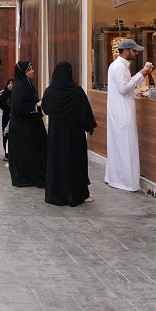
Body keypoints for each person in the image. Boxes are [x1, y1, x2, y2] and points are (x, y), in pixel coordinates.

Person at [41, 62, 97, 207]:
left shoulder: (50, 91)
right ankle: (76, 193)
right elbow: (86, 116)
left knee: (57, 161)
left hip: (56, 135)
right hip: (74, 136)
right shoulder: (77, 92)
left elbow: (46, 109)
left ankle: (56, 193)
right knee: (74, 162)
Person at [105, 39, 153, 192]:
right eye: (134, 51)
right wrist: (142, 73)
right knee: (127, 147)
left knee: (119, 147)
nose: (136, 53)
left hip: (119, 111)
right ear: (126, 51)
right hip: (122, 113)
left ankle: (116, 178)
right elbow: (123, 88)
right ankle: (127, 182)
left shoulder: (117, 66)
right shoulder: (120, 67)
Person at [7, 61, 48, 187]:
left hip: (30, 125)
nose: (32, 71)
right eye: (29, 69)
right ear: (23, 72)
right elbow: (18, 107)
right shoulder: (20, 87)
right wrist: (36, 105)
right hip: (23, 127)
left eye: (32, 68)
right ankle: (28, 178)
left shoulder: (27, 84)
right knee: (28, 152)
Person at [0, 78, 14, 160]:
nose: (10, 86)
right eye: (9, 84)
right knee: (5, 133)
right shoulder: (4, 94)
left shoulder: (16, 94)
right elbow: (2, 106)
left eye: (12, 84)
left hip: (14, 116)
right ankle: (6, 153)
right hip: (6, 116)